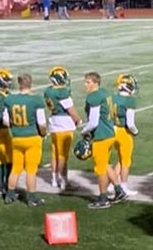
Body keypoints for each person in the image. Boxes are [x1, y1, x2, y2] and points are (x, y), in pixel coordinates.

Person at [82, 72, 126, 209]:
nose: (85, 84)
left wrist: (83, 131)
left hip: (101, 136)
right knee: (106, 165)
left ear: (96, 83)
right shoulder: (105, 92)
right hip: (110, 133)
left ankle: (103, 198)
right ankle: (119, 190)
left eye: (88, 82)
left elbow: (93, 121)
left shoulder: (94, 97)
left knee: (100, 169)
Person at [2, 74, 47, 207]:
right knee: (31, 170)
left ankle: (9, 195)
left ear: (19, 83)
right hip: (32, 138)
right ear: (31, 83)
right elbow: (42, 123)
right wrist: (43, 134)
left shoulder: (9, 99)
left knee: (16, 168)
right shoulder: (36, 100)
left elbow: (5, 121)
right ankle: (32, 197)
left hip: (16, 138)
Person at [44, 66, 80, 191]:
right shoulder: (62, 92)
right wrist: (78, 120)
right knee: (63, 155)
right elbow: (71, 110)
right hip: (64, 124)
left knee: (55, 154)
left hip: (53, 122)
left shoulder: (48, 91)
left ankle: (54, 180)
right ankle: (63, 181)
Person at [112, 74, 139, 196]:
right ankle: (123, 186)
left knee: (120, 160)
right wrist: (135, 132)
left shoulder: (113, 97)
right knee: (126, 161)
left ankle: (110, 184)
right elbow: (130, 123)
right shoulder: (130, 100)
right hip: (124, 132)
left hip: (112, 130)